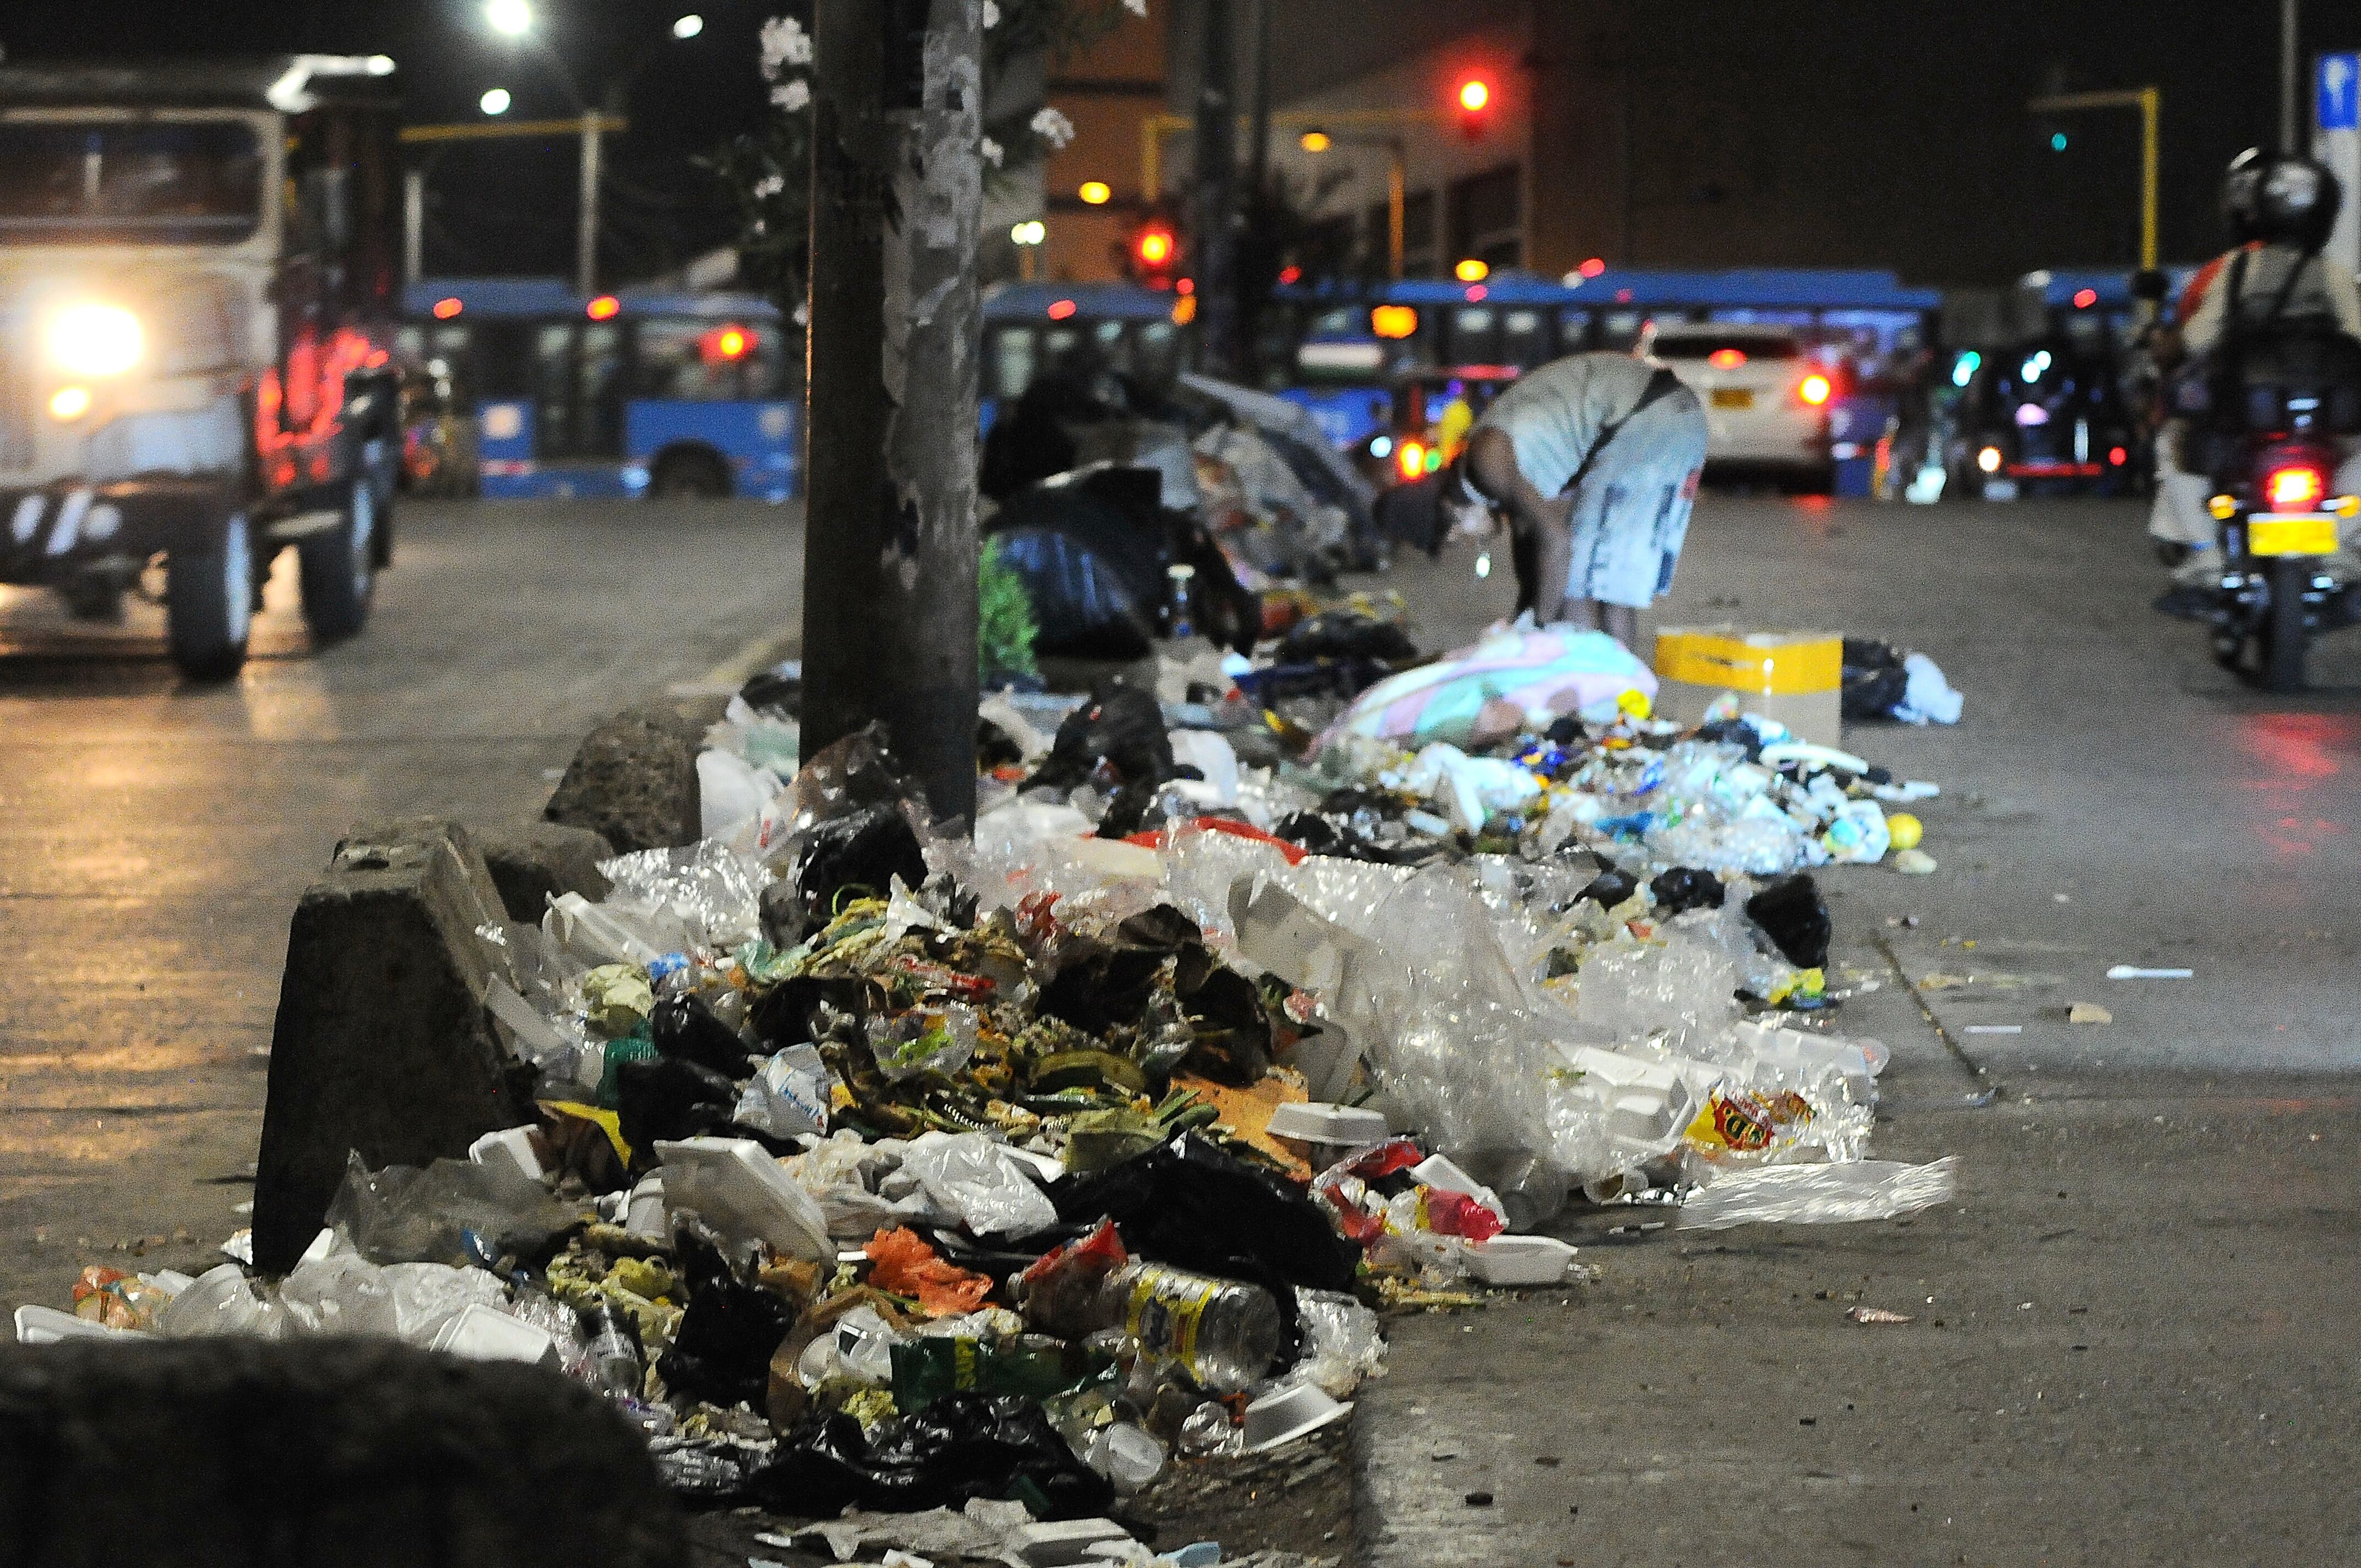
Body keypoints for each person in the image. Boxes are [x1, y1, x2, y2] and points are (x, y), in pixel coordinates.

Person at [2150, 151, 2361, 558]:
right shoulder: (2333, 275)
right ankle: (2341, 547)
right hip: (2325, 424)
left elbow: (2195, 341)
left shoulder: (2236, 269)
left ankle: (2205, 551)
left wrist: (2166, 348)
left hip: (2246, 419)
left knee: (2173, 444)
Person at [1445, 349, 1706, 648]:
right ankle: (1603, 685)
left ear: (1453, 506)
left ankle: (1605, 689)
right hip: (1670, 413)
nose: (1465, 541)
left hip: (1646, 419)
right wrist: (1528, 613)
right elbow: (1531, 545)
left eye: (1455, 533)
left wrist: (1534, 628)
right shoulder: (1503, 467)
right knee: (1600, 584)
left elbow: (1556, 540)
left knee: (1581, 585)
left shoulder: (1486, 459)